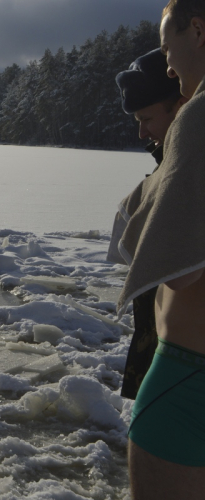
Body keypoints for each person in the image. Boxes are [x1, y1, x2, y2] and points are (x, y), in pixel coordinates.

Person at [109, 1, 205, 500]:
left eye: (169, 49)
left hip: (187, 377)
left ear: (198, 31)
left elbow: (181, 271)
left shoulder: (197, 116)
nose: (170, 65)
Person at [111, 48, 184, 400]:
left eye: (146, 118)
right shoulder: (170, 166)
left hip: (183, 365)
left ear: (181, 108)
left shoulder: (189, 173)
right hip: (164, 357)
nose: (141, 133)